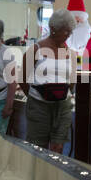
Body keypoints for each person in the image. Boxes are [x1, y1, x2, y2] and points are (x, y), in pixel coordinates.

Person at [24, 8, 75, 151]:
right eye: (65, 31)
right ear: (53, 28)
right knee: (37, 147)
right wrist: (36, 95)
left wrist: (64, 92)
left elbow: (72, 79)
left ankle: (53, 173)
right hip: (39, 105)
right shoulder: (36, 49)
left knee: (58, 147)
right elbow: (22, 78)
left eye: (70, 31)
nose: (68, 34)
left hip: (63, 105)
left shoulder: (70, 52)